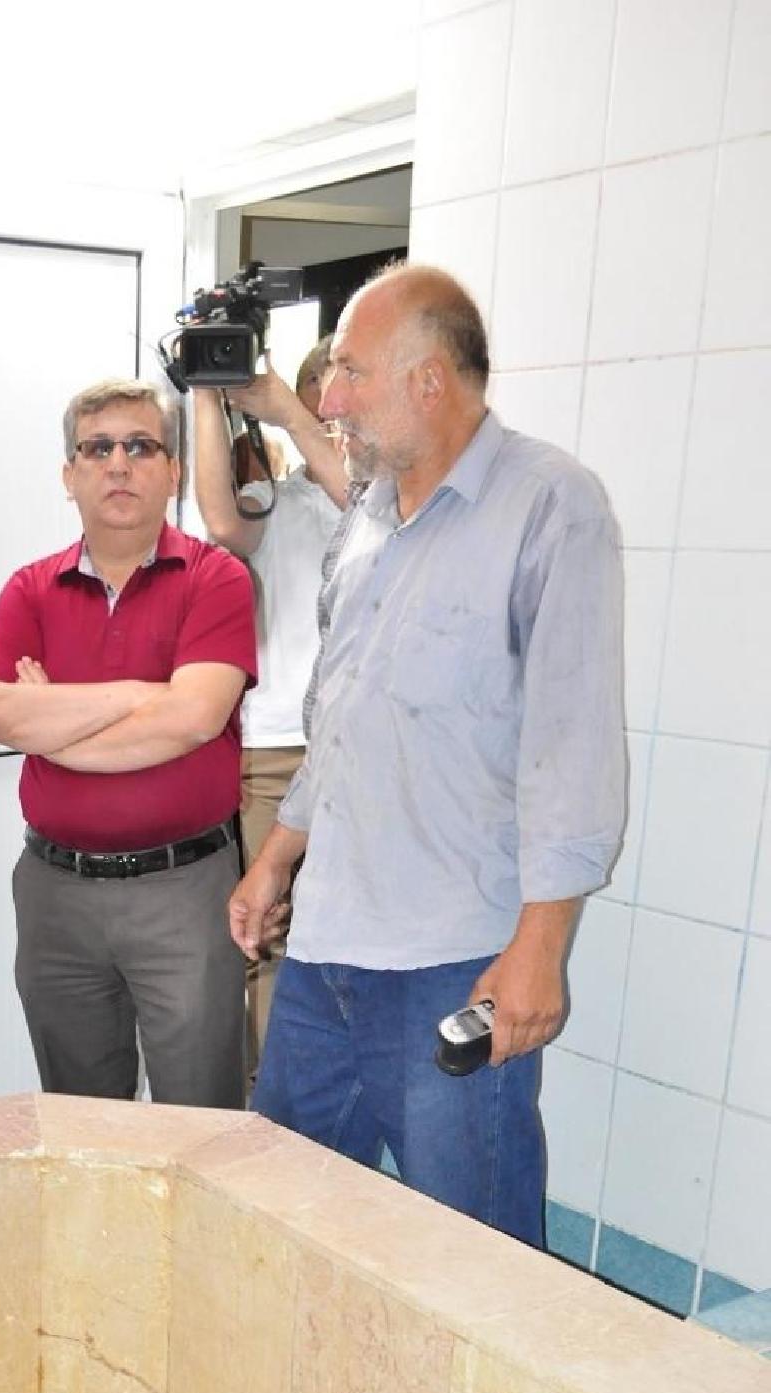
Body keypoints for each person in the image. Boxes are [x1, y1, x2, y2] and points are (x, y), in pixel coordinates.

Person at [228, 263, 625, 1246]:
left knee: (473, 1260)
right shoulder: (366, 517)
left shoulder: (550, 505)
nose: (328, 400)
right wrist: (277, 857)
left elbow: (573, 741)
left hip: (452, 963)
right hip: (324, 953)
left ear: (429, 381)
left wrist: (541, 948)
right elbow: (341, 712)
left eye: (350, 374)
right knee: (277, 1225)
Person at [0, 379, 256, 1109]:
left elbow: (193, 719)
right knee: (79, 1125)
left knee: (201, 1125)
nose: (119, 464)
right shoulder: (28, 590)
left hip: (184, 893)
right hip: (56, 896)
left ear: (174, 471)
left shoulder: (217, 579)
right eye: (97, 449)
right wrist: (141, 694)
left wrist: (56, 724)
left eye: (140, 446)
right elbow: (0, 714)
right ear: (70, 474)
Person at [192, 339, 349, 1076]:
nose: (339, 406)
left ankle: (331, 1106)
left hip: (363, 755)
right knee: (268, 939)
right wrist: (205, 390)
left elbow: (366, 503)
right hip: (277, 750)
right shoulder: (278, 501)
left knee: (349, 942)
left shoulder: (392, 501)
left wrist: (288, 411)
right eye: (327, 387)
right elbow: (224, 522)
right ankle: (270, 1107)